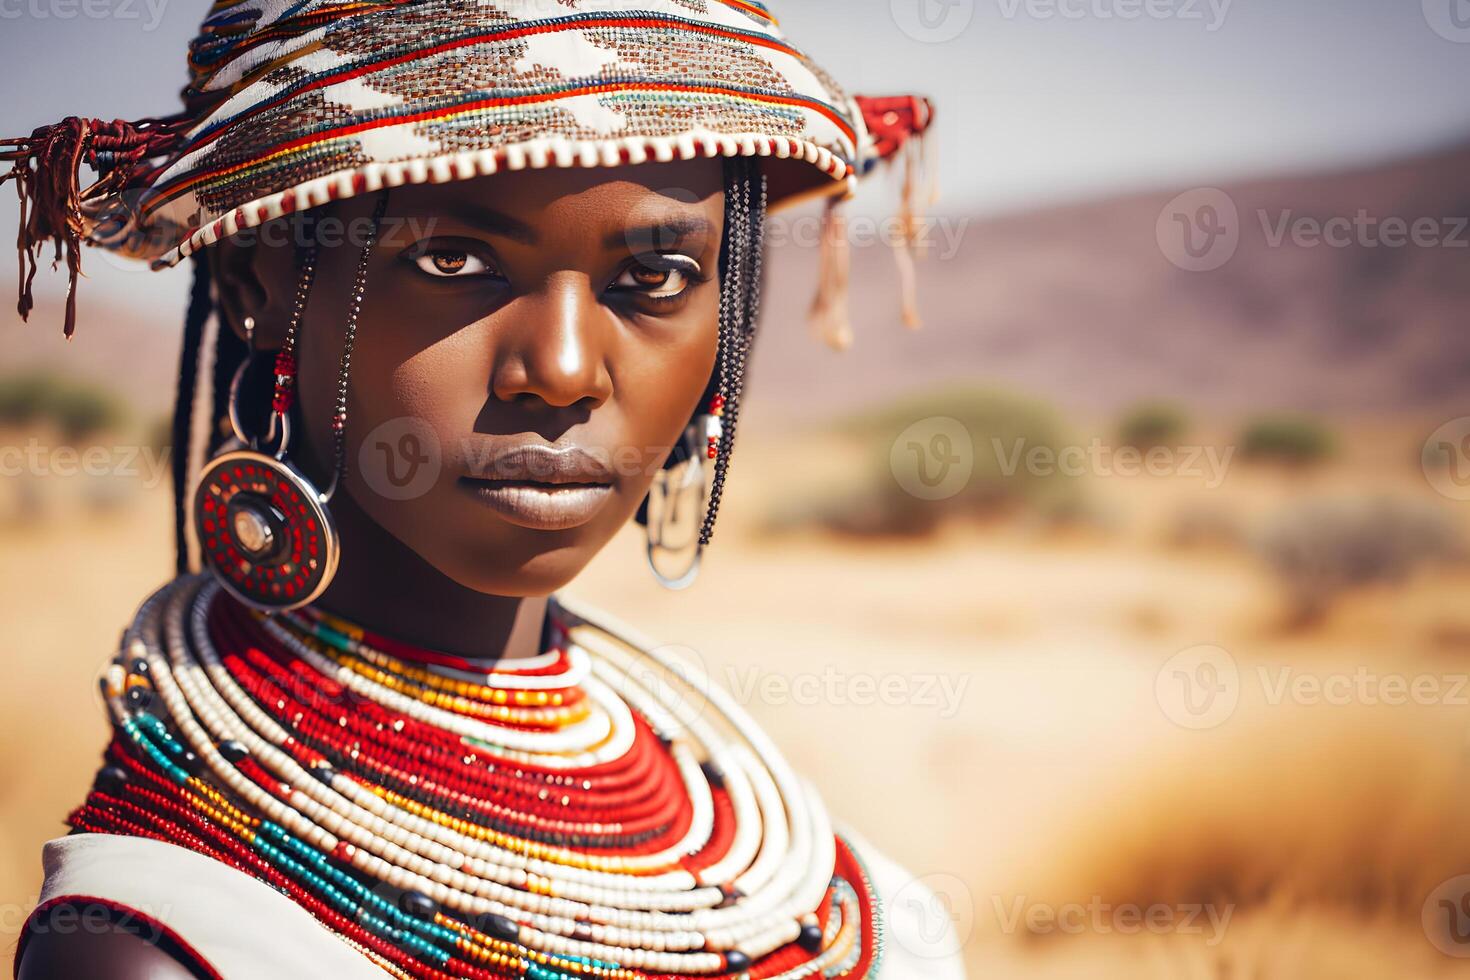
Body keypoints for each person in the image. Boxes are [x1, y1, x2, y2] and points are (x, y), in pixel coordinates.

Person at [4, 1, 959, 976]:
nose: (563, 369)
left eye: (658, 276)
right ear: (262, 286)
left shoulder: (859, 905)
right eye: (453, 260)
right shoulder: (178, 943)